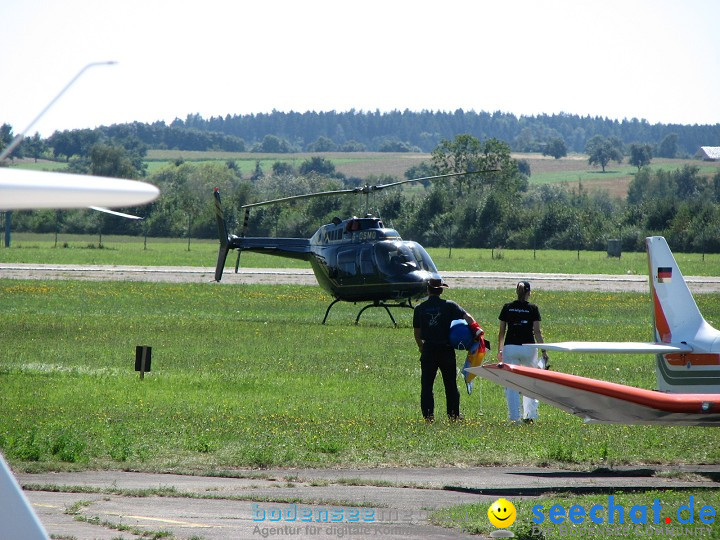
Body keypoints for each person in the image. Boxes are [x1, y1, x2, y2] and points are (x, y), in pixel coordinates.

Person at [413, 278, 484, 422]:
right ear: (441, 290)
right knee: (450, 384)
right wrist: (477, 330)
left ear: (428, 290)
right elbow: (468, 317)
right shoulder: (449, 305)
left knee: (427, 385)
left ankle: (428, 417)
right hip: (446, 350)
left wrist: (421, 347)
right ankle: (453, 416)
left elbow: (417, 333)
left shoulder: (419, 308)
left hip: (429, 350)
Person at [497, 281, 549, 424]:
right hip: (528, 347)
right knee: (530, 381)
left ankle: (514, 417)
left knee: (511, 383)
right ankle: (530, 415)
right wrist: (544, 351)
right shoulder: (533, 308)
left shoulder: (507, 307)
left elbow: (502, 332)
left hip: (510, 347)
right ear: (529, 293)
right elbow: (537, 332)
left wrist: (500, 349)